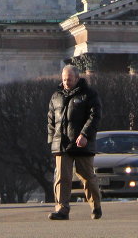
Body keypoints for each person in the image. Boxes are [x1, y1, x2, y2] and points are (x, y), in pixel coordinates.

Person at [46, 65, 102, 220]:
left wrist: (85, 134)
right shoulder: (56, 96)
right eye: (64, 79)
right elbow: (51, 120)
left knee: (87, 176)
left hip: (82, 143)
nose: (66, 82)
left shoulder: (89, 94)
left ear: (77, 78)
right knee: (61, 178)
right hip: (62, 144)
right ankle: (62, 209)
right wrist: (53, 140)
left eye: (69, 79)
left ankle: (96, 206)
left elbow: (94, 116)